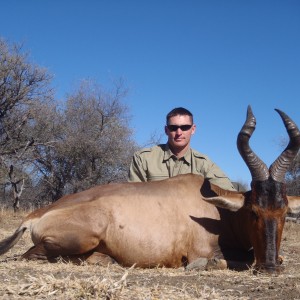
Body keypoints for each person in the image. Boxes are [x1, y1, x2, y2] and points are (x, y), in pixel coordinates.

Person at [128, 107, 236, 190]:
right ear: (166, 130)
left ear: (193, 129)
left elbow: (229, 192)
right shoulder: (143, 158)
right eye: (173, 128)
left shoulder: (204, 164)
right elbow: (133, 197)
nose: (179, 133)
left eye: (184, 127)